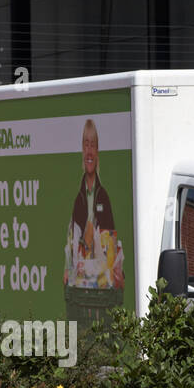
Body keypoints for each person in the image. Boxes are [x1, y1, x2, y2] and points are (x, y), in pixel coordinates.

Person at [67, 119, 123, 288]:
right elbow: (71, 243)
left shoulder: (103, 196)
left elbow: (111, 243)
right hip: (80, 280)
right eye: (86, 145)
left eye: (93, 145)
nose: (89, 151)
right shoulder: (78, 198)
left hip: (100, 282)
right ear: (82, 150)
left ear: (97, 151)